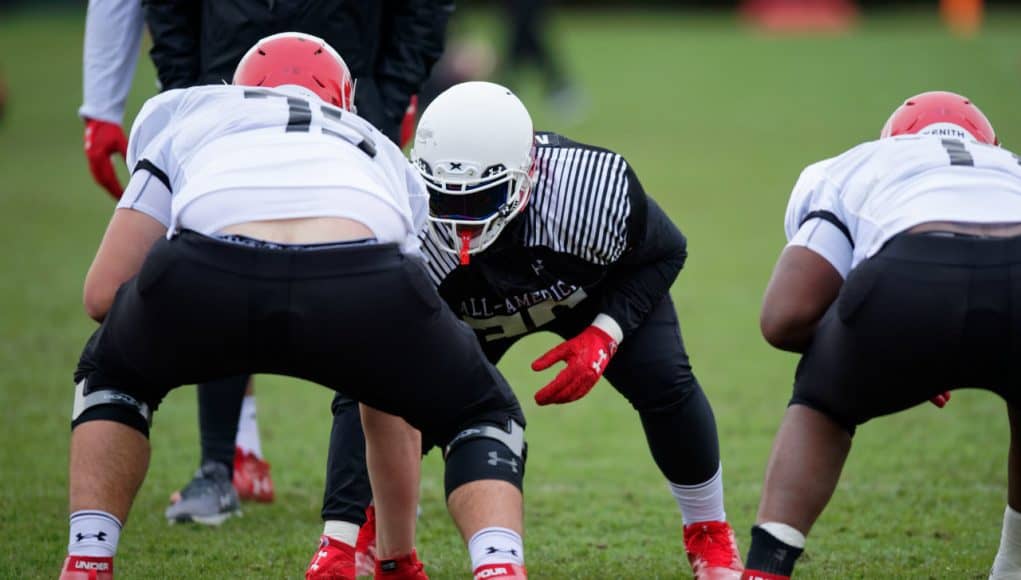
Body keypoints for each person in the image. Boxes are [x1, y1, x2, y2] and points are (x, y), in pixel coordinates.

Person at [59, 33, 527, 580]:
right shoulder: (374, 145)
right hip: (359, 275)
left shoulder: (190, 115)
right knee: (482, 414)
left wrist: (159, 328)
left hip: (210, 267)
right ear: (342, 101)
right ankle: (468, 566)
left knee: (111, 376)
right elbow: (401, 346)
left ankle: (88, 557)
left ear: (236, 91)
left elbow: (101, 293)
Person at [307, 81, 743, 580]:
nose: (460, 225)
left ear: (526, 175)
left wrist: (606, 333)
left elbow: (666, 252)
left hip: (585, 292)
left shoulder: (591, 191)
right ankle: (356, 533)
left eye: (480, 200)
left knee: (665, 381)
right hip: (468, 311)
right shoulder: (405, 216)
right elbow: (366, 371)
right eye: (444, 199)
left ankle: (709, 532)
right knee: (379, 387)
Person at [79, 0, 453, 525]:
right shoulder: (389, 169)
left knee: (121, 344)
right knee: (386, 320)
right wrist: (191, 84)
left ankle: (93, 549)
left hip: (347, 88)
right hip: (233, 79)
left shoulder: (375, 153)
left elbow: (100, 295)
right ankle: (267, 483)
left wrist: (391, 90)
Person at [742, 91, 1021, 579]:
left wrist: (880, 348)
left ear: (893, 138)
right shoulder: (1011, 166)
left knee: (823, 401)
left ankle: (765, 571)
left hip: (913, 267)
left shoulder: (859, 163)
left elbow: (785, 316)